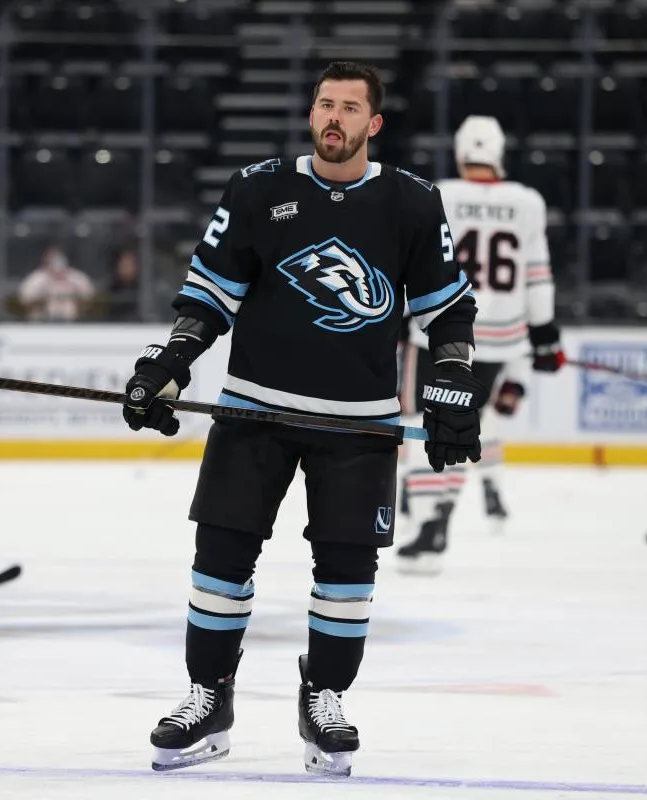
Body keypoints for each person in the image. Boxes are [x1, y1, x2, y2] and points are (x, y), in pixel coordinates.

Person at [120, 61, 481, 776]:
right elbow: (209, 296)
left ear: (374, 123)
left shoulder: (413, 202)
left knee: (347, 573)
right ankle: (209, 696)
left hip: (360, 424)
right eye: (325, 104)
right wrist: (170, 363)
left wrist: (453, 379)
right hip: (254, 410)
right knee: (219, 560)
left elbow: (448, 311)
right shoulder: (257, 188)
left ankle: (325, 696)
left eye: (350, 107)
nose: (334, 117)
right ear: (311, 113)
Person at [394, 115, 563, 574]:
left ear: (460, 151)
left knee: (422, 425)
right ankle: (441, 518)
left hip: (440, 332)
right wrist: (545, 335)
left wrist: (397, 315)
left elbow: (414, 264)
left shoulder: (439, 194)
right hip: (500, 340)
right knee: (459, 427)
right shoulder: (528, 202)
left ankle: (427, 527)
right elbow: (538, 275)